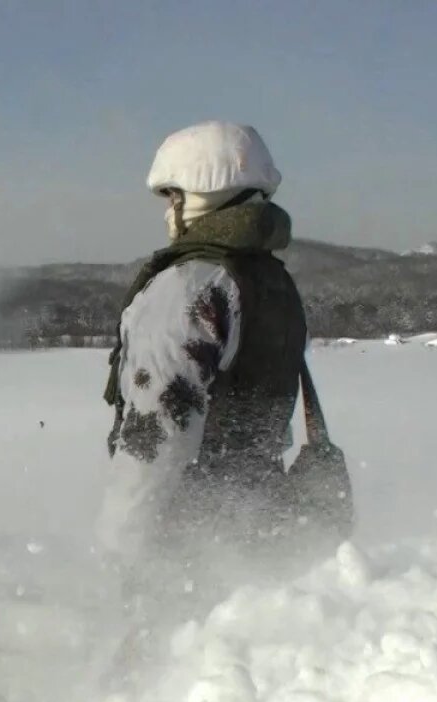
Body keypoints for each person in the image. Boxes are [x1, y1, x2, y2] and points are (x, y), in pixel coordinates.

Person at [96, 121, 330, 623]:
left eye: (173, 196)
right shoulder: (272, 283)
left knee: (151, 690)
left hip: (183, 548)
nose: (168, 212)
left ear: (201, 193)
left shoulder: (190, 287)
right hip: (255, 526)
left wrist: (121, 554)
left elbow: (153, 439)